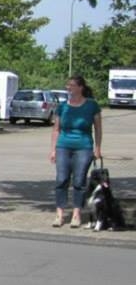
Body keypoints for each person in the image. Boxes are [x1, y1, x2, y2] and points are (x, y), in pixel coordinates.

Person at [49, 74, 102, 228]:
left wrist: (97, 148)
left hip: (83, 147)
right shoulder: (63, 106)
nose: (68, 87)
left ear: (80, 87)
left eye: (71, 85)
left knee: (79, 181)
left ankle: (76, 214)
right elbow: (56, 129)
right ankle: (59, 214)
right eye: (68, 85)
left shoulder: (92, 105)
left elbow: (98, 129)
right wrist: (53, 150)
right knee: (61, 179)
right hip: (63, 146)